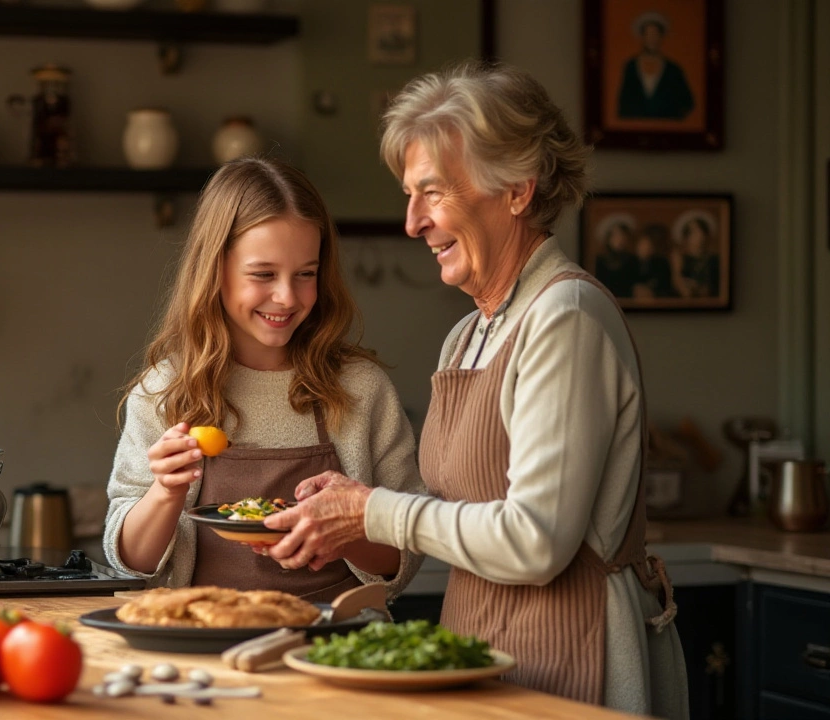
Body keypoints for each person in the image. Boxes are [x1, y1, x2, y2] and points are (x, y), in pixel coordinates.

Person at [260, 62, 688, 717]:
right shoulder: (469, 332)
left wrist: (374, 510)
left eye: (431, 192)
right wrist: (347, 516)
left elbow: (536, 540)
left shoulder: (565, 317)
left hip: (573, 650)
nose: (412, 223)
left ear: (517, 189)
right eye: (409, 196)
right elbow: (461, 510)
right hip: (480, 648)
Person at [101, 157, 424, 602]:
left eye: (306, 274)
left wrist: (341, 532)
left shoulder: (361, 389)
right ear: (215, 269)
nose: (287, 297)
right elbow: (130, 560)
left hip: (335, 648)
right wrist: (166, 491)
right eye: (263, 274)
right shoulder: (165, 391)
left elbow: (403, 557)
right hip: (200, 644)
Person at [617, 12, 695, 120]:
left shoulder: (673, 69)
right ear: (643, 37)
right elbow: (623, 103)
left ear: (661, 37)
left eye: (655, 34)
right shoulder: (631, 66)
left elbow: (687, 102)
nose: (652, 39)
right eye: (648, 34)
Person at [671, 212, 720, 298]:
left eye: (701, 231)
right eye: (694, 232)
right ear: (686, 237)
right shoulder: (679, 259)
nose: (700, 236)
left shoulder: (714, 260)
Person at [592, 213, 639, 298]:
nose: (620, 239)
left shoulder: (633, 260)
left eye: (623, 235)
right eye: (616, 235)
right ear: (608, 238)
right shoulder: (599, 261)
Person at [631, 223, 676, 299]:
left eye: (648, 244)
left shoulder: (662, 264)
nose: (643, 247)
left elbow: (665, 289)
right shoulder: (631, 262)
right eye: (642, 243)